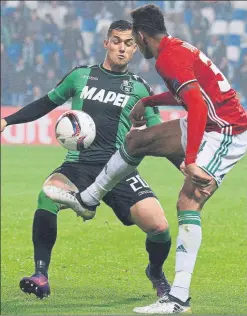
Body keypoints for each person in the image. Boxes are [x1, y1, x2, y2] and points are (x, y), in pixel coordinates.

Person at [44, 5, 247, 314]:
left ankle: (178, 299)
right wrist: (149, 100)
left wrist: (190, 160)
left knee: (188, 201)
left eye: (134, 41)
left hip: (227, 130)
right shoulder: (175, 48)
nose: (134, 47)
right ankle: (88, 199)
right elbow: (191, 93)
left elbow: (197, 105)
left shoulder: (168, 58)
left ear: (140, 35)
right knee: (137, 139)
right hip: (209, 121)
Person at [1, 20, 175, 300]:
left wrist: (184, 164)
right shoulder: (80, 76)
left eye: (128, 43)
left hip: (118, 167)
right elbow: (46, 103)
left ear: (135, 49)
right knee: (47, 195)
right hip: (79, 165)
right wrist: (7, 120)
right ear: (106, 43)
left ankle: (155, 271)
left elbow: (158, 135)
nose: (121, 48)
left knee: (160, 228)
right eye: (116, 41)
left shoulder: (140, 89)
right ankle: (41, 274)